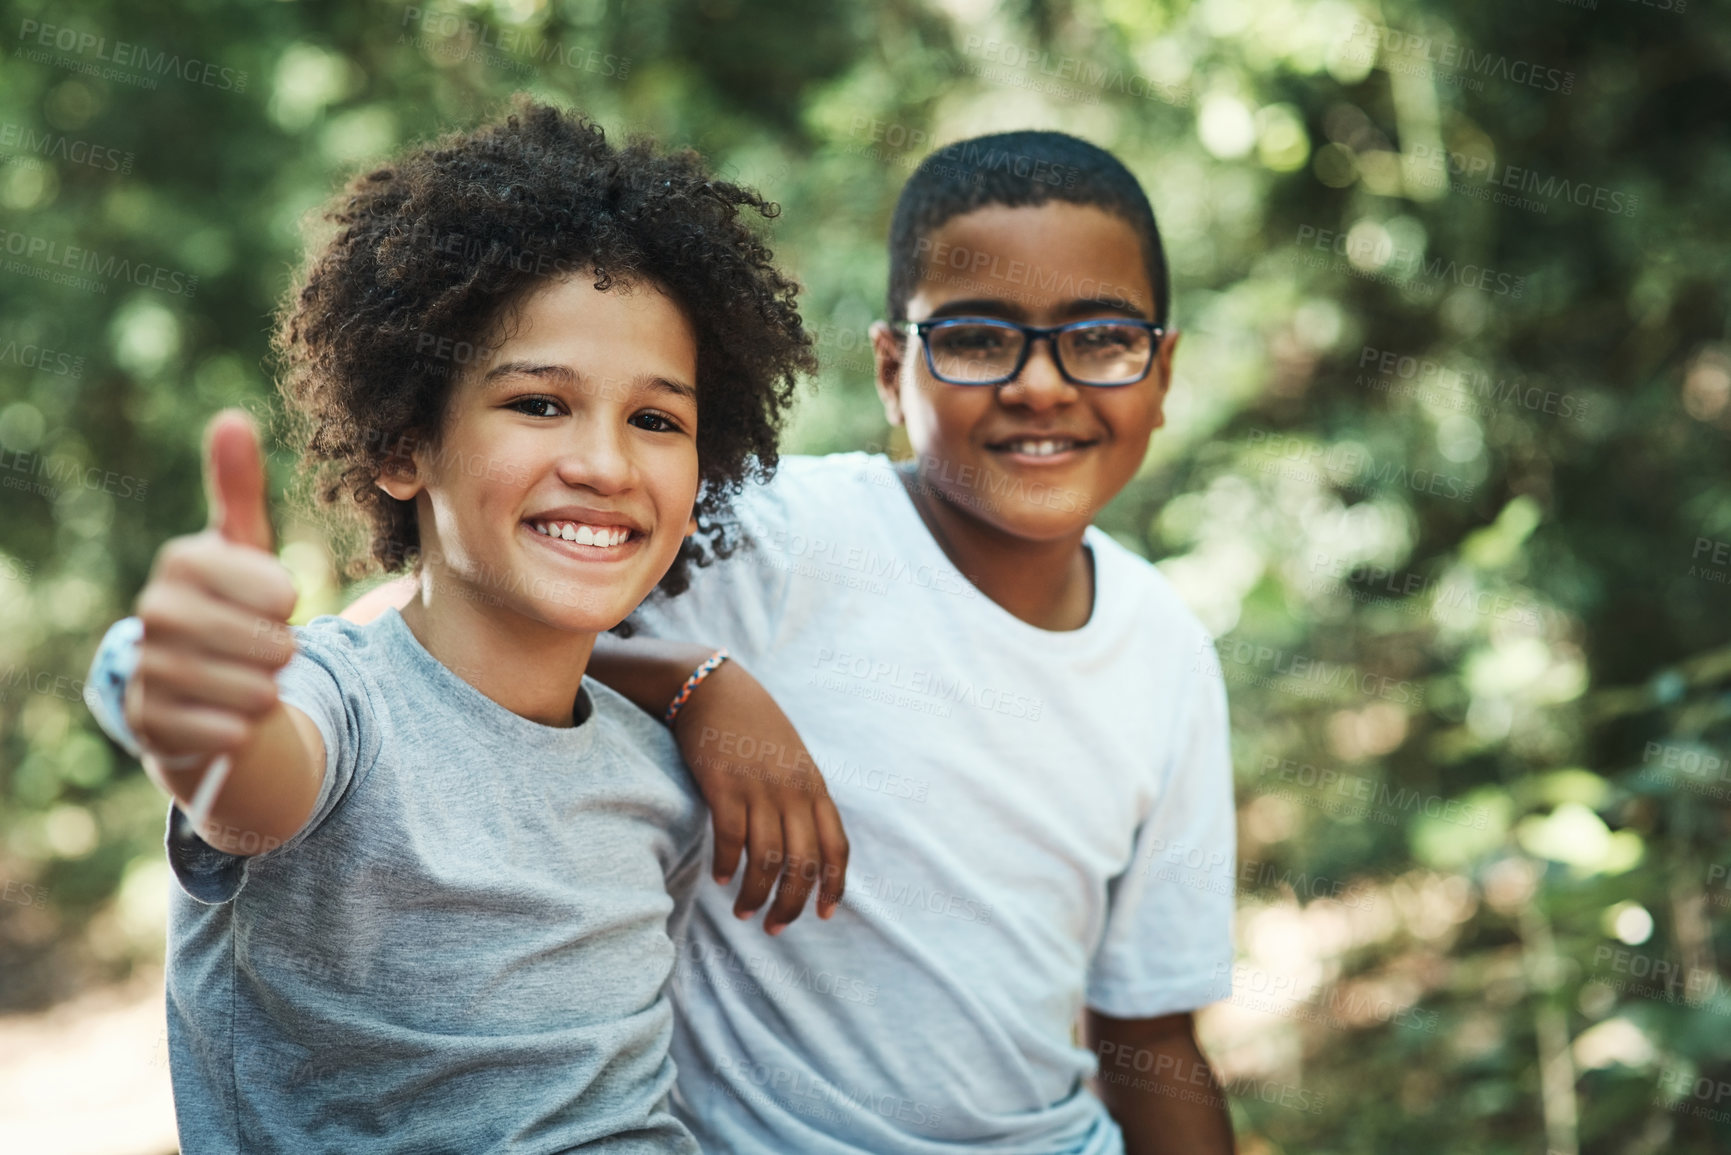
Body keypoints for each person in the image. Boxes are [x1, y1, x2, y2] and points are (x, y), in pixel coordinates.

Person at [80, 99, 846, 1153]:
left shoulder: (657, 776)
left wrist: (699, 681)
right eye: (538, 403)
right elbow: (250, 789)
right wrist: (199, 709)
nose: (607, 464)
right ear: (405, 447)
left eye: (657, 420)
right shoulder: (339, 704)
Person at [590, 130, 1240, 1153]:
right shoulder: (767, 542)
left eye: (1101, 337)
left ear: (1160, 372)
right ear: (895, 373)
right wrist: (691, 683)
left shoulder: (1167, 650)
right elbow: (451, 641)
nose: (1041, 386)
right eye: (979, 338)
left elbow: (1150, 1030)